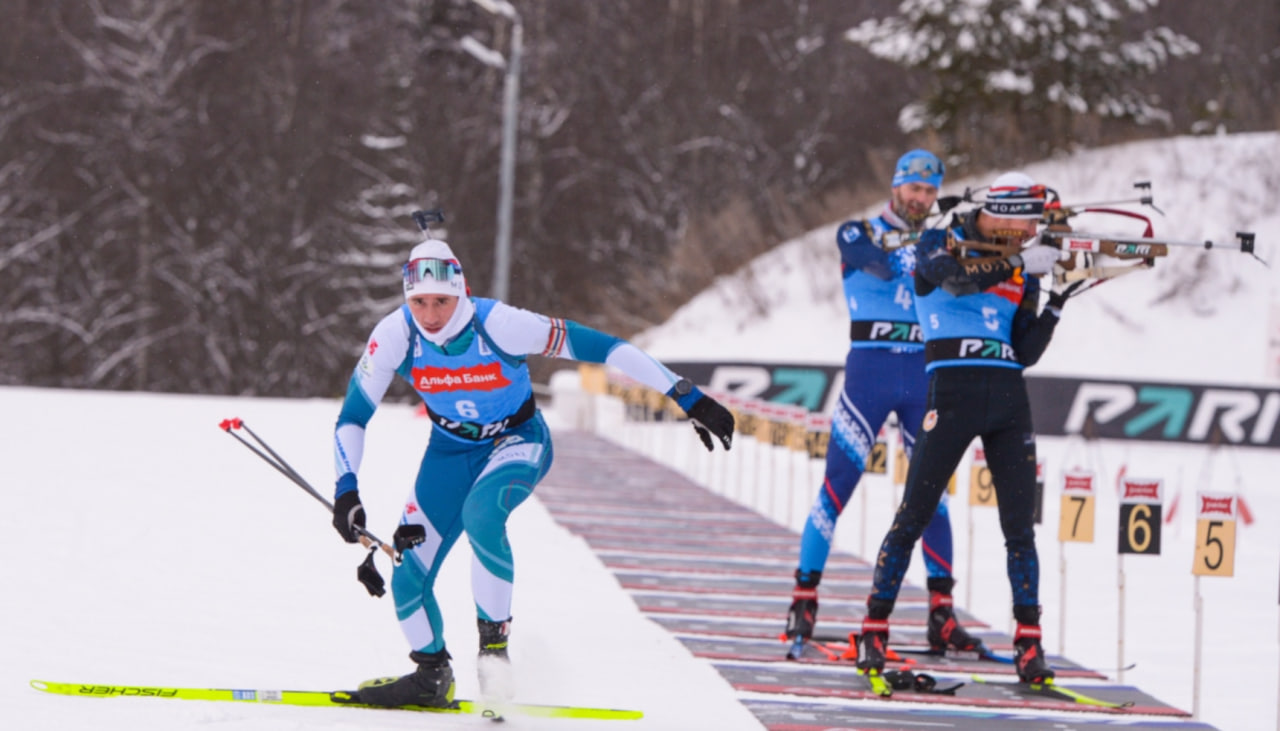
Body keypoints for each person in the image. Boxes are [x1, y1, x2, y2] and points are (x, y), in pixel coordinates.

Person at [329, 225, 735, 708]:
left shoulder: (499, 323)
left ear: (462, 290)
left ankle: (494, 657)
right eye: (420, 303)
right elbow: (353, 417)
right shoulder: (395, 334)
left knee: (484, 514)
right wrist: (346, 490)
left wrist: (684, 394)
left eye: (442, 301)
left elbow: (604, 347)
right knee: (406, 575)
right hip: (448, 451)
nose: (431, 315)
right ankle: (430, 674)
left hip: (517, 440)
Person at [856, 171, 1072, 685]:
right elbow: (951, 279)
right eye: (1019, 225)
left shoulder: (1025, 265)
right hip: (950, 396)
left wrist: (1058, 298)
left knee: (1020, 529)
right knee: (913, 516)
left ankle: (1029, 643)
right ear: (994, 212)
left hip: (1008, 401)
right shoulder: (939, 239)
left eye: (1030, 230)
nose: (1024, 235)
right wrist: (1020, 260)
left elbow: (1025, 350)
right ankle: (873, 628)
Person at [786, 149, 983, 656]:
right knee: (837, 485)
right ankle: (804, 597)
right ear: (896, 187)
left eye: (929, 191)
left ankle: (941, 610)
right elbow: (868, 263)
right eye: (913, 189)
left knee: (933, 494)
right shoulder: (860, 232)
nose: (920, 198)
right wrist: (916, 253)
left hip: (924, 376)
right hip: (869, 375)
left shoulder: (941, 238)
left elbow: (964, 283)